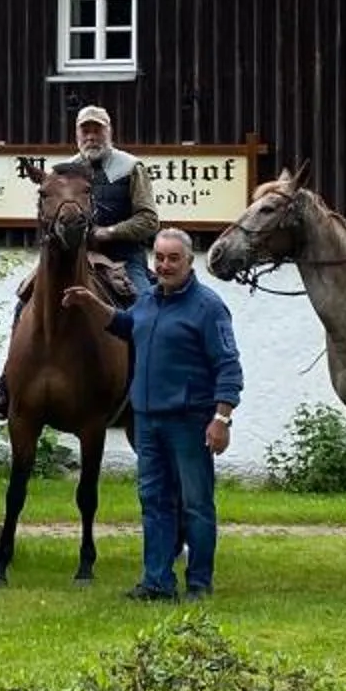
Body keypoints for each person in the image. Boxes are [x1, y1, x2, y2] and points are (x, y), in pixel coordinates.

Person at [71, 226, 242, 600]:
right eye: (159, 258)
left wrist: (222, 419)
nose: (164, 265)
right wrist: (91, 304)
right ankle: (157, 581)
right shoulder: (147, 300)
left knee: (196, 505)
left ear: (189, 261)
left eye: (172, 258)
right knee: (154, 502)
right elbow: (126, 325)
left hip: (190, 422)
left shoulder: (208, 307)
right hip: (146, 420)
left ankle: (198, 584)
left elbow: (228, 367)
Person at [0, 104, 160, 418]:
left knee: (145, 308)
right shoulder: (64, 171)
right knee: (24, 300)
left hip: (122, 257)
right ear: (77, 134)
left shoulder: (131, 167)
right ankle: (8, 384)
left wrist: (108, 233)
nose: (91, 136)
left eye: (97, 129)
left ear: (109, 132)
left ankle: (145, 391)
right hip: (74, 256)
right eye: (85, 130)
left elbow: (149, 220)